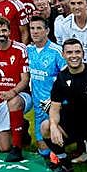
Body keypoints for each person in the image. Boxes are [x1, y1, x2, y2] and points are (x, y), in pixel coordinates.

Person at [43, 38, 87, 172]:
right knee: (46, 126)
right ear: (63, 55)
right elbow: (54, 108)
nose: (74, 56)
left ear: (83, 54)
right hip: (73, 128)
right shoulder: (61, 78)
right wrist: (54, 126)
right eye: (69, 52)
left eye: (77, 52)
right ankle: (64, 162)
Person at [0, 16, 31, 161]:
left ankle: (17, 149)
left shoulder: (20, 49)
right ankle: (21, 127)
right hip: (0, 98)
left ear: (9, 31)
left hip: (21, 95)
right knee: (3, 147)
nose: (1, 34)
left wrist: (13, 92)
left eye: (4, 30)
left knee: (13, 102)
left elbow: (25, 79)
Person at [26, 15, 64, 156]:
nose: (35, 32)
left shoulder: (57, 51)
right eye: (32, 28)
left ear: (47, 31)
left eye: (39, 28)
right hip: (38, 105)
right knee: (44, 151)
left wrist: (57, 99)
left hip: (54, 105)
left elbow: (67, 77)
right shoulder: (28, 51)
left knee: (54, 148)